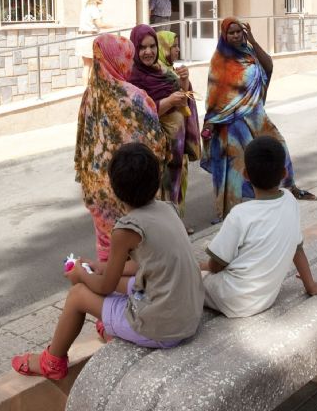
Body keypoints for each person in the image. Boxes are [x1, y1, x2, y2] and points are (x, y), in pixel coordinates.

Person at [12, 143, 204, 380]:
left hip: (162, 329)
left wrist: (80, 274)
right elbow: (147, 265)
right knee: (125, 282)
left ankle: (52, 361)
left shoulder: (126, 229)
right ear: (157, 179)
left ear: (113, 187)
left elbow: (105, 287)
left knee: (78, 295)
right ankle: (113, 325)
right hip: (187, 316)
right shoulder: (168, 209)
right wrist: (100, 267)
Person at [200, 136, 317, 318]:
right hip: (263, 299)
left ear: (245, 174)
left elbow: (215, 266)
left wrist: (198, 267)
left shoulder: (240, 214)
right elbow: (298, 250)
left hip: (232, 299)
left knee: (188, 273)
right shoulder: (290, 200)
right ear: (284, 173)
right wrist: (311, 286)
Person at [200, 17, 317, 222]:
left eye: (238, 32)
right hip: (232, 123)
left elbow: (269, 66)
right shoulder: (220, 60)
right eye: (231, 32)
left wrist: (253, 41)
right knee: (239, 164)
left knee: (277, 146)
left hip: (256, 115)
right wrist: (211, 122)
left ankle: (287, 187)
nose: (236, 35)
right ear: (224, 35)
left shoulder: (249, 52)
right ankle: (231, 213)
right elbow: (214, 96)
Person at [74, 33, 167, 261]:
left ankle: (110, 290)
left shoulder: (90, 95)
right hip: (130, 190)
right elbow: (156, 143)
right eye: (128, 57)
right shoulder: (134, 97)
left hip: (98, 191)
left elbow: (82, 142)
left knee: (109, 253)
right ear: (119, 60)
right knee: (136, 257)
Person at [129, 25, 200, 225]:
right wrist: (169, 101)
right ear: (134, 49)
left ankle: (176, 228)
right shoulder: (133, 77)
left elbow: (184, 101)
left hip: (176, 153)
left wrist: (184, 82)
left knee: (174, 191)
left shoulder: (161, 71)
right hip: (155, 152)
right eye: (142, 47)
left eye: (152, 46)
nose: (148, 52)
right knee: (157, 195)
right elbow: (141, 113)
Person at [76, 0, 112, 86]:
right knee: (91, 65)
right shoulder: (93, 8)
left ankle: (86, 89)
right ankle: (89, 89)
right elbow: (99, 24)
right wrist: (113, 25)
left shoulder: (86, 7)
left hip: (82, 37)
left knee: (87, 65)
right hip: (89, 37)